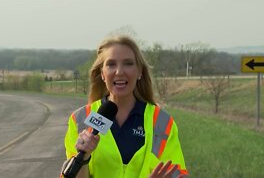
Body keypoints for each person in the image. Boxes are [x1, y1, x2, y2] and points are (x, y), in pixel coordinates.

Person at [63, 35, 188, 178]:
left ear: (140, 71)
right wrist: (83, 159)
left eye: (128, 63)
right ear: (102, 74)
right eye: (111, 64)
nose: (119, 72)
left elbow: (179, 174)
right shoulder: (80, 120)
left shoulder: (162, 122)